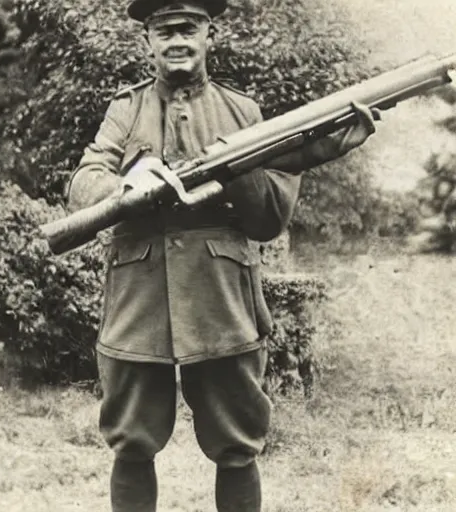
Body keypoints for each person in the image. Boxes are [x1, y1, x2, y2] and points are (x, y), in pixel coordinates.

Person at [65, 1, 377, 510]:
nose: (177, 40)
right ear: (147, 41)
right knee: (132, 441)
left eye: (188, 28)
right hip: (138, 303)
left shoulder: (242, 111)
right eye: (164, 31)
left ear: (210, 35)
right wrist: (128, 181)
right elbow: (83, 181)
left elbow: (268, 220)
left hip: (222, 301)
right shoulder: (125, 109)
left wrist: (244, 165)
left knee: (236, 445)